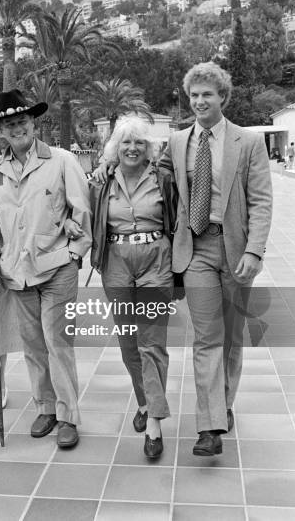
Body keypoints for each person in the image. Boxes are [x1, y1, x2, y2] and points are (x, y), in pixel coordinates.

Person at [94, 62, 272, 456]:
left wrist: (255, 250)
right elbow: (144, 168)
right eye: (194, 95)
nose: (199, 101)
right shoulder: (176, 142)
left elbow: (261, 201)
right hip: (195, 250)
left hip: (237, 249)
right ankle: (210, 428)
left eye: (207, 94)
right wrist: (110, 163)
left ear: (222, 97)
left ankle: (222, 404)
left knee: (232, 338)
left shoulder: (248, 143)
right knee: (207, 337)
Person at [0, 89, 92, 449]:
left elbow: (82, 212)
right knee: (32, 345)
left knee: (58, 343)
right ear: (1, 131)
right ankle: (45, 406)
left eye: (22, 121)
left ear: (34, 122)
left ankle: (68, 416)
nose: (16, 128)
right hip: (16, 275)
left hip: (58, 269)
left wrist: (75, 253)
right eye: (9, 124)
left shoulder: (61, 161)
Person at [89, 115, 175, 459]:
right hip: (116, 263)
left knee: (152, 343)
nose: (133, 148)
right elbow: (83, 215)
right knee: (128, 344)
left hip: (156, 260)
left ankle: (154, 422)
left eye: (139, 142)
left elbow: (179, 215)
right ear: (115, 148)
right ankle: (144, 400)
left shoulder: (163, 178)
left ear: (149, 147)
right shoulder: (102, 181)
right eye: (125, 142)